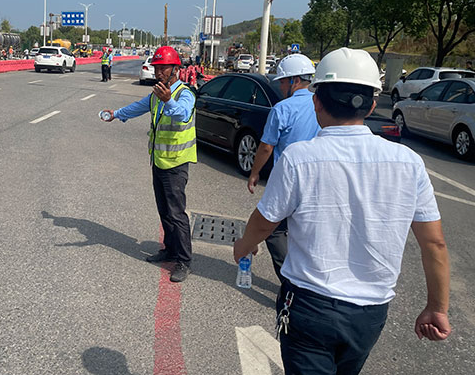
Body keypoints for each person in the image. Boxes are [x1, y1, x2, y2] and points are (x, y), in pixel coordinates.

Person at [233, 47, 451, 374]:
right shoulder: (409, 162)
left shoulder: (298, 158)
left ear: (317, 102)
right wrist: (437, 307)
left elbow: (265, 222)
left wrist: (243, 247)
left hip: (309, 305)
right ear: (372, 105)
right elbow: (434, 243)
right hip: (370, 314)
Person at [101, 46, 197, 282]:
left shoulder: (185, 93)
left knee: (176, 214)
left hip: (176, 164)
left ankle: (184, 261)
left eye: (163, 68)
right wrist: (117, 114)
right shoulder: (156, 94)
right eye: (156, 68)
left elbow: (183, 114)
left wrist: (168, 101)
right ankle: (170, 250)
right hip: (159, 160)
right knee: (164, 211)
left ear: (175, 69)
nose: (158, 72)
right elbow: (138, 107)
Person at [247, 53, 320, 284]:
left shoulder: (282, 108)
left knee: (274, 230)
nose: (280, 86)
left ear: (294, 81)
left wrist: (255, 172)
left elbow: (266, 147)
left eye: (282, 82)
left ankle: (291, 282)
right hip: (317, 180)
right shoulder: (321, 106)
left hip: (288, 181)